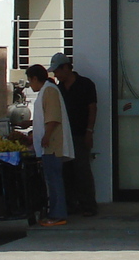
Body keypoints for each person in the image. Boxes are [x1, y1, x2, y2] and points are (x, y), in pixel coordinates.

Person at [16, 63, 72, 226]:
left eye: (30, 80)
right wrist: (32, 123)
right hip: (48, 144)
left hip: (52, 145)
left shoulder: (49, 90)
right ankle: (55, 213)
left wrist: (46, 137)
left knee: (54, 180)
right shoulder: (46, 91)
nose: (30, 84)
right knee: (52, 179)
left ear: (34, 78)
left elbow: (53, 118)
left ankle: (58, 214)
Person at [51, 52, 99, 217]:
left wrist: (89, 131)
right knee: (66, 171)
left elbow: (92, 109)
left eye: (57, 71)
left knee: (82, 170)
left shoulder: (86, 84)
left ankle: (89, 205)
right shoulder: (58, 89)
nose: (56, 75)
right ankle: (71, 204)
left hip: (80, 134)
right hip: (63, 136)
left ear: (66, 68)